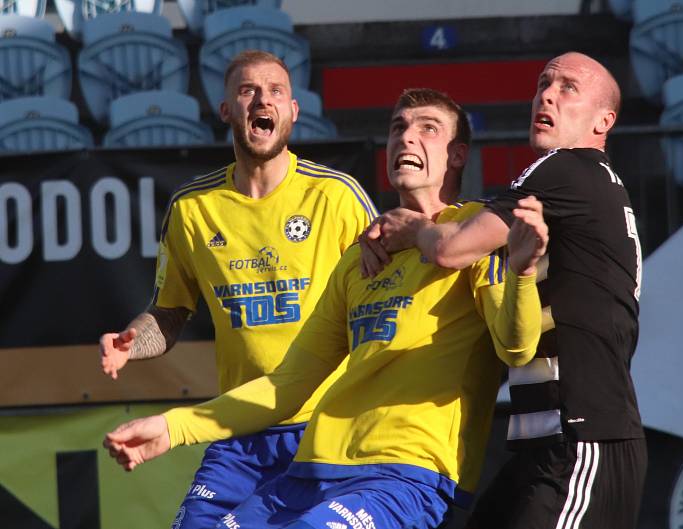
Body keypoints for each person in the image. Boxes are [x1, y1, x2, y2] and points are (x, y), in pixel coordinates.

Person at [102, 88, 549, 529]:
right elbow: (288, 384)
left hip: (405, 475)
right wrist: (172, 427)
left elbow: (515, 348)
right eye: (398, 128)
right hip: (312, 470)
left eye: (427, 129)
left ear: (457, 155)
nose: (406, 138)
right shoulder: (361, 259)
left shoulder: (473, 234)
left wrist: (523, 272)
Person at [360, 52, 647, 529]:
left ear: (604, 121)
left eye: (568, 87)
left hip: (582, 440)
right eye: (543, 83)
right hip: (545, 448)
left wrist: (409, 227)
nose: (547, 94)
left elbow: (453, 248)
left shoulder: (564, 168)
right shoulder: (587, 186)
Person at [98, 50, 378, 529]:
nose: (261, 100)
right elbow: (168, 314)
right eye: (247, 91)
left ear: (293, 110)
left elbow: (389, 297)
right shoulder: (192, 209)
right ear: (226, 109)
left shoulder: (338, 195)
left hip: (327, 429)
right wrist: (130, 341)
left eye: (275, 91)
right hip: (240, 429)